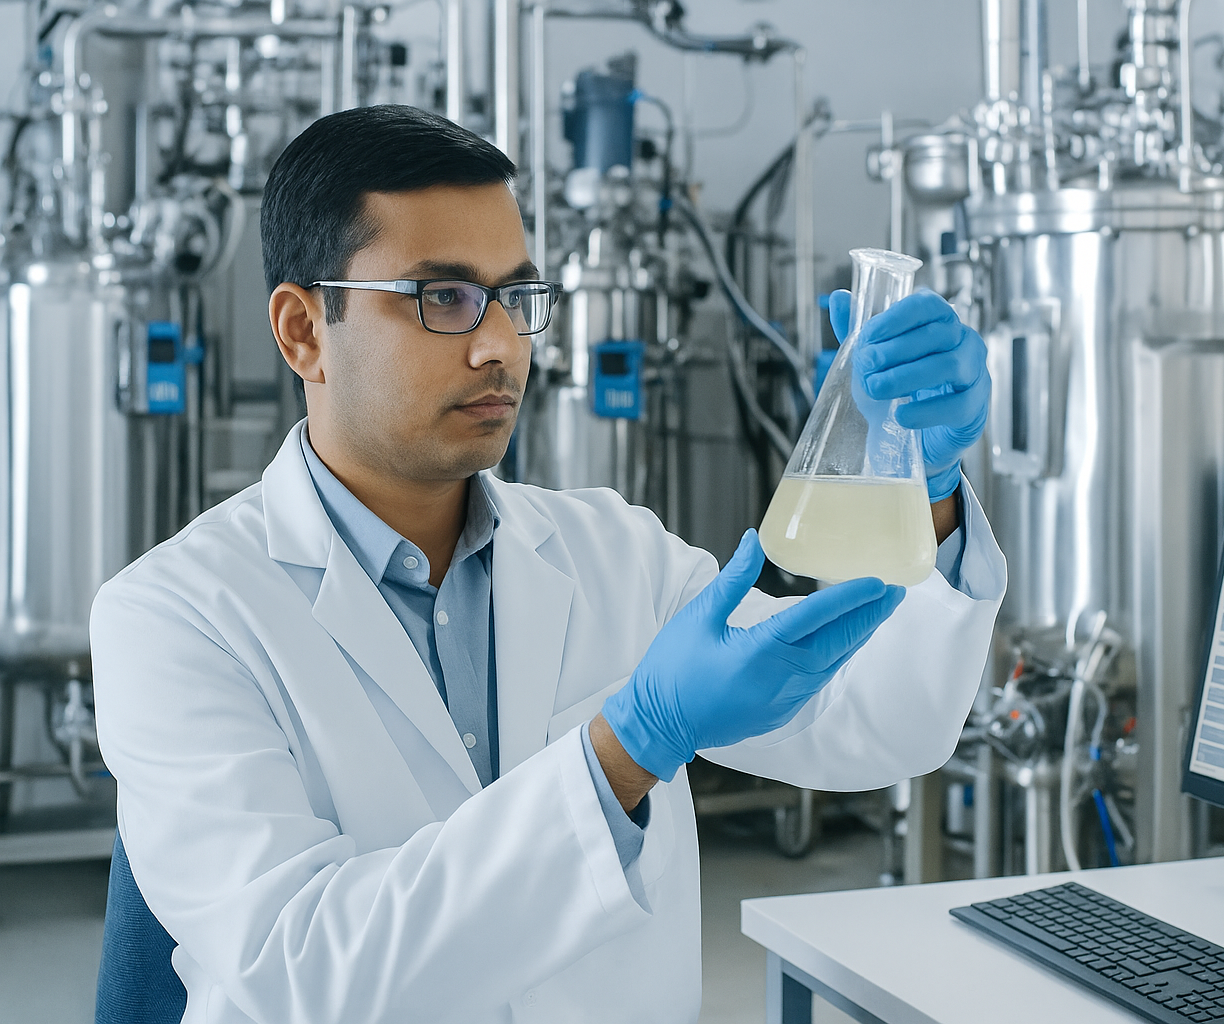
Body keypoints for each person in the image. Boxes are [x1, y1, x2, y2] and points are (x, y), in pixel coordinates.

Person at [91, 105, 1004, 1024]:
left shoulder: (614, 553)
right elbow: (305, 977)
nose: (500, 346)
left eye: (516, 299)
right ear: (302, 331)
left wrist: (922, 481)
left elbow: (884, 724)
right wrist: (625, 752)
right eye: (440, 298)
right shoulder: (174, 617)